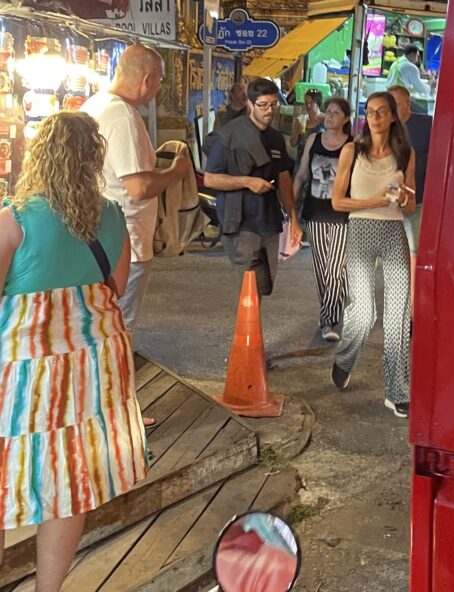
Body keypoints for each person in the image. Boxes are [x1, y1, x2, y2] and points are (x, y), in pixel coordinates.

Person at [0, 112, 147, 591]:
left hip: (25, 375)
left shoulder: (14, 218)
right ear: (93, 159)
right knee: (68, 482)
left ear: (39, 155)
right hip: (93, 367)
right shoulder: (110, 216)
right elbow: (116, 288)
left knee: (6, 473)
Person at [83, 44, 193, 332]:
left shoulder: (94, 105)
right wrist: (175, 172)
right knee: (120, 327)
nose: (158, 89)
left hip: (98, 236)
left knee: (101, 321)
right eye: (159, 81)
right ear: (148, 79)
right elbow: (138, 186)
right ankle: (117, 376)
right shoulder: (122, 116)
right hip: (126, 241)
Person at [330, 91, 415, 419]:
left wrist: (403, 194)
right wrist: (375, 202)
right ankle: (345, 359)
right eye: (371, 111)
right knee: (364, 312)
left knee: (398, 315)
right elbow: (338, 202)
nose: (376, 117)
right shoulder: (352, 150)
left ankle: (397, 392)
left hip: (394, 231)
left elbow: (409, 205)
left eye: (382, 112)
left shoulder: (405, 153)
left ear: (393, 116)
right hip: (361, 229)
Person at [204, 78, 303, 304]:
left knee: (264, 284)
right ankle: (247, 337)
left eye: (273, 105)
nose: (269, 111)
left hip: (268, 219)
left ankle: (252, 333)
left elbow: (284, 178)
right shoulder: (228, 136)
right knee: (249, 286)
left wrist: (294, 218)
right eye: (263, 105)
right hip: (240, 221)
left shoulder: (276, 137)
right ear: (250, 104)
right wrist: (247, 181)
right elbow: (210, 178)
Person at [292, 97, 353, 342]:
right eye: (328, 112)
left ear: (345, 119)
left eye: (336, 113)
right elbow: (302, 174)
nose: (329, 116)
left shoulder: (351, 145)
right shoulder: (313, 140)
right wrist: (290, 206)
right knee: (321, 268)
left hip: (342, 215)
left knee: (335, 268)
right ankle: (330, 310)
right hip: (315, 212)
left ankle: (328, 320)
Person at [388, 84, 431, 303]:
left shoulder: (426, 125)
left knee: (413, 255)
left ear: (408, 103)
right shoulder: (383, 127)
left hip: (418, 201)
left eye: (395, 103)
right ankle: (399, 304)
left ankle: (413, 308)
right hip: (388, 205)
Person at [290, 88, 325, 169]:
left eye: (311, 103)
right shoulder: (301, 120)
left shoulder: (325, 120)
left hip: (319, 164)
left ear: (318, 103)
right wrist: (296, 131)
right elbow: (292, 143)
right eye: (306, 103)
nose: (308, 106)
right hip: (301, 163)